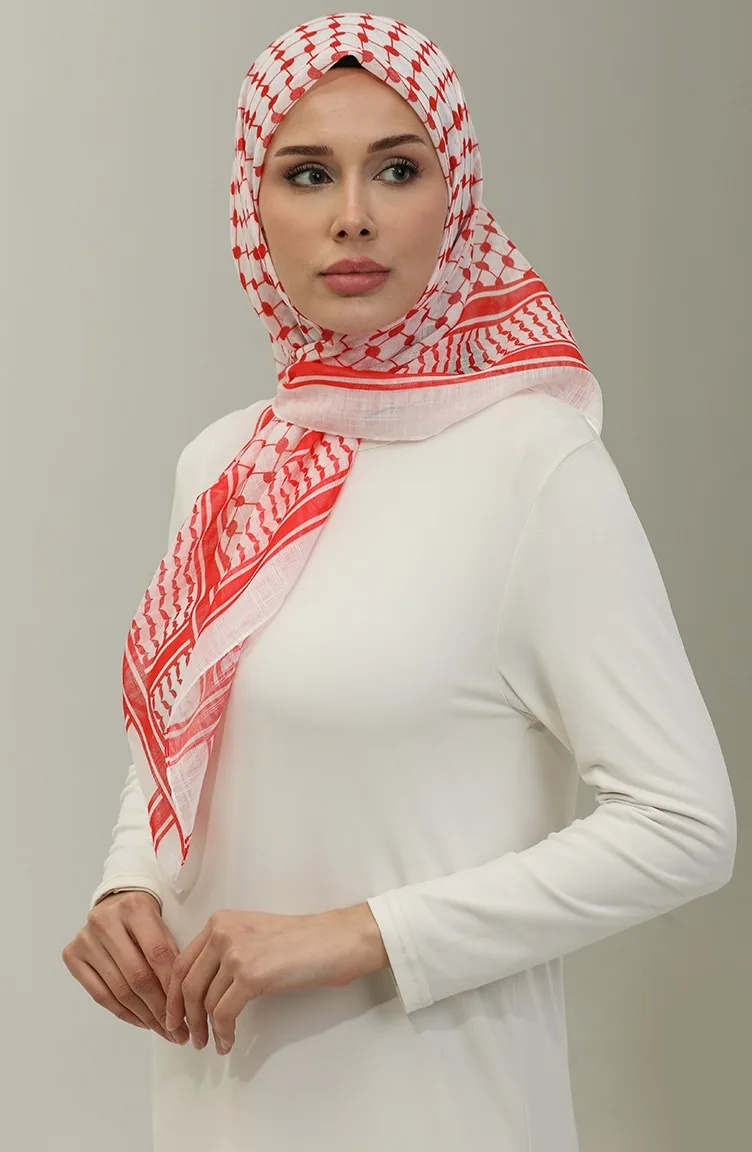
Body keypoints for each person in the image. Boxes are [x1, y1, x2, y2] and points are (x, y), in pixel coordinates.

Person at [62, 13, 737, 1152]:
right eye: (306, 173)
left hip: (435, 1108)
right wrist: (126, 883)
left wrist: (360, 933)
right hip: (215, 1098)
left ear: (454, 195)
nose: (353, 216)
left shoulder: (532, 463)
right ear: (252, 206)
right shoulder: (227, 463)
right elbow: (187, 731)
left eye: (396, 168)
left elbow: (683, 827)